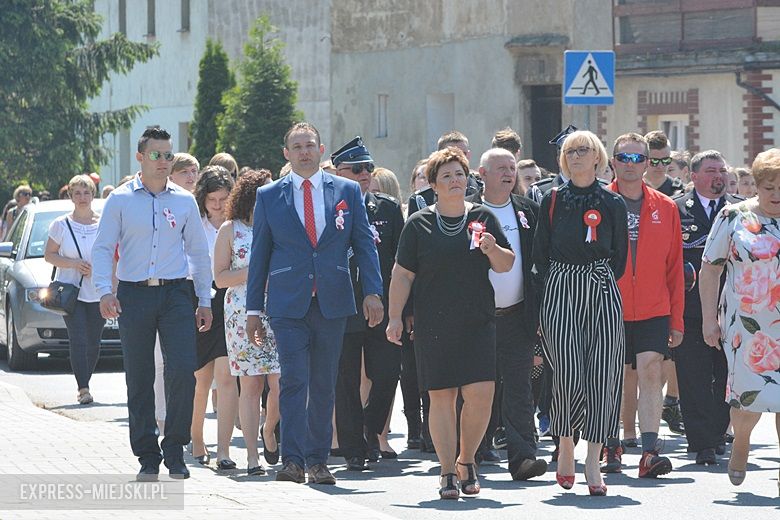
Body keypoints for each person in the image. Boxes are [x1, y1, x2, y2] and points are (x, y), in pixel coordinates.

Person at [245, 122, 383, 485]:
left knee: (324, 383)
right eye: (297, 146)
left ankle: (318, 460)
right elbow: (259, 256)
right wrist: (253, 310)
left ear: (321, 151)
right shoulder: (269, 195)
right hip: (288, 303)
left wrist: (373, 291)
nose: (304, 151)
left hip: (333, 299)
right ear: (286, 153)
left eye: (310, 145)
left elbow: (365, 245)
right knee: (293, 380)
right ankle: (291, 461)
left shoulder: (347, 191)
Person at [387, 147, 514, 499]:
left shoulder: (484, 217)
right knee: (441, 397)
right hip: (434, 324)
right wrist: (395, 317)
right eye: (447, 176)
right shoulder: (419, 223)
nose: (456, 181)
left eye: (460, 174)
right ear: (433, 185)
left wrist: (491, 248)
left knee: (481, 396)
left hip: (477, 322)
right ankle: (446, 472)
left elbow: (506, 264)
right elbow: (402, 274)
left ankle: (467, 460)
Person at [92, 127, 213, 481]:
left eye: (168, 155)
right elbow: (102, 248)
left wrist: (203, 299)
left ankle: (175, 448)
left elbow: (198, 253)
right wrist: (104, 290)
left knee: (182, 371)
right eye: (156, 155)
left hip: (176, 294)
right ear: (141, 157)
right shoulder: (121, 200)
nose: (163, 161)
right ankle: (147, 453)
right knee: (140, 375)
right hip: (134, 293)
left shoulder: (184, 200)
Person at [532, 129, 628, 496]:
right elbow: (540, 253)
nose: (575, 156)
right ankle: (566, 445)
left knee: (603, 372)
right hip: (560, 286)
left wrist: (594, 279)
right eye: (569, 151)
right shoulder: (551, 198)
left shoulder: (613, 203)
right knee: (567, 371)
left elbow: (620, 259)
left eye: (582, 150)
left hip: (601, 286)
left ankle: (594, 457)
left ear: (597, 157)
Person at [601, 133, 684, 478]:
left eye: (638, 159)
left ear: (648, 163)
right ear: (614, 162)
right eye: (624, 158)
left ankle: (649, 451)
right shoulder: (599, 202)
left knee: (651, 371)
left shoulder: (665, 207)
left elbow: (675, 267)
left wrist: (676, 319)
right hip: (609, 308)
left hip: (653, 307)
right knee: (614, 379)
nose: (631, 165)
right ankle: (610, 444)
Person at [700, 147, 780, 491]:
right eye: (769, 187)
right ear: (756, 186)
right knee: (747, 398)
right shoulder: (733, 216)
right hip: (746, 324)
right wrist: (708, 320)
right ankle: (742, 442)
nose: (776, 195)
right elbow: (710, 269)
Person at [470, 148, 545, 481]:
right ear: (482, 173)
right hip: (476, 317)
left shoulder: (528, 210)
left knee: (518, 387)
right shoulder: (469, 210)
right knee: (476, 388)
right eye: (500, 168)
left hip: (518, 314)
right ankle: (468, 455)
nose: (509, 173)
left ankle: (523, 457)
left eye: (512, 167)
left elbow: (540, 263)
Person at [331, 137, 405, 471]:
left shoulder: (386, 207)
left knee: (388, 371)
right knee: (346, 379)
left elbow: (404, 263)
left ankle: (370, 427)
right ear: (338, 171)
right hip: (343, 304)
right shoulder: (327, 207)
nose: (365, 175)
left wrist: (406, 309)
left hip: (384, 305)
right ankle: (353, 449)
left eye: (369, 168)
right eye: (357, 169)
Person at [672, 149, 742, 465]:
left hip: (733, 308)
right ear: (694, 175)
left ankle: (715, 434)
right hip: (690, 308)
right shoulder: (676, 210)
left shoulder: (740, 212)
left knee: (727, 375)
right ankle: (701, 441)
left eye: (722, 170)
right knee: (693, 376)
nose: (719, 176)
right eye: (712, 170)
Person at [214, 168, 280, 476]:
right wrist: (256, 272)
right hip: (241, 313)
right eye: (264, 190)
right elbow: (220, 277)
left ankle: (270, 429)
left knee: (281, 382)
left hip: (280, 310)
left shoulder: (280, 226)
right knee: (251, 384)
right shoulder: (230, 229)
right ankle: (253, 455)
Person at [190, 166, 236, 470]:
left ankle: (224, 450)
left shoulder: (239, 226)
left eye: (223, 199)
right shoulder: (193, 224)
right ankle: (195, 438)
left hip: (229, 305)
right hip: (198, 303)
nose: (218, 205)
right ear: (203, 198)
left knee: (227, 378)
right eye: (212, 200)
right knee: (201, 379)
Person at [44, 175, 105, 405]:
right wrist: (74, 264)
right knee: (78, 338)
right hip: (71, 292)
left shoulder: (103, 224)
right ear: (70, 196)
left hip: (98, 290)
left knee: (94, 342)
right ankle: (83, 387)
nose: (82, 198)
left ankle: (85, 378)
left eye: (86, 192)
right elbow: (49, 255)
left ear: (93, 195)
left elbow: (112, 255)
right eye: (77, 193)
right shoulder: (61, 225)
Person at [405, 131, 483, 214]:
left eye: (463, 153)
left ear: (469, 155)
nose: (457, 157)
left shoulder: (481, 189)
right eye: (451, 153)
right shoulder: (421, 198)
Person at [643, 131, 684, 197]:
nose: (660, 166)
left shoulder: (679, 190)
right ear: (644, 159)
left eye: (665, 160)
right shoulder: (633, 188)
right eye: (654, 161)